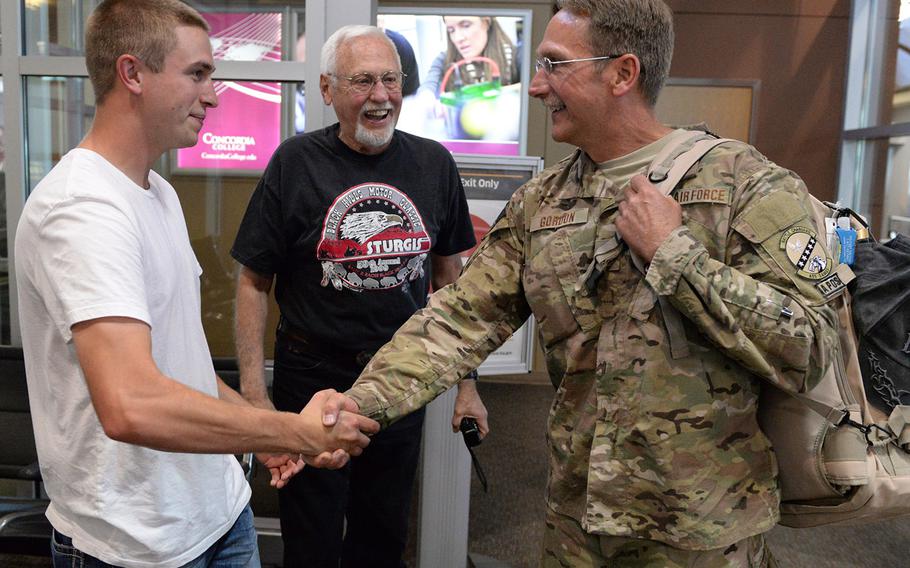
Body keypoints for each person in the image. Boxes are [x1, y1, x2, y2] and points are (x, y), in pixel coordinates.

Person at [344, 1, 841, 566]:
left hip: (701, 534)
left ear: (622, 73)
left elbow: (812, 344)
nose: (535, 86)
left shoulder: (745, 184)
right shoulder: (543, 201)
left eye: (554, 65)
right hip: (577, 525)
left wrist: (675, 256)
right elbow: (459, 320)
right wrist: (358, 405)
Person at [14, 2, 377, 567]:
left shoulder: (158, 193)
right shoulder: (81, 209)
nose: (213, 95)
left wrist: (270, 437)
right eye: (198, 74)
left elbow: (183, 368)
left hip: (219, 516)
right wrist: (294, 430)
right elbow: (131, 405)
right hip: (138, 548)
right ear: (132, 74)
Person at [231, 24, 486, 568]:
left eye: (391, 80)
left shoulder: (435, 164)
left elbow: (451, 284)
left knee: (383, 534)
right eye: (363, 81)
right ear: (327, 90)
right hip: (310, 376)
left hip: (399, 376)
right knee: (313, 539)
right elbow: (254, 283)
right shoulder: (294, 162)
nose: (381, 95)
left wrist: (467, 386)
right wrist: (257, 403)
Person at [421, 16, 520, 96]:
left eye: (466, 25)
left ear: (486, 22)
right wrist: (425, 98)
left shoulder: (518, 54)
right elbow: (427, 88)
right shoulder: (444, 60)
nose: (458, 38)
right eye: (451, 30)